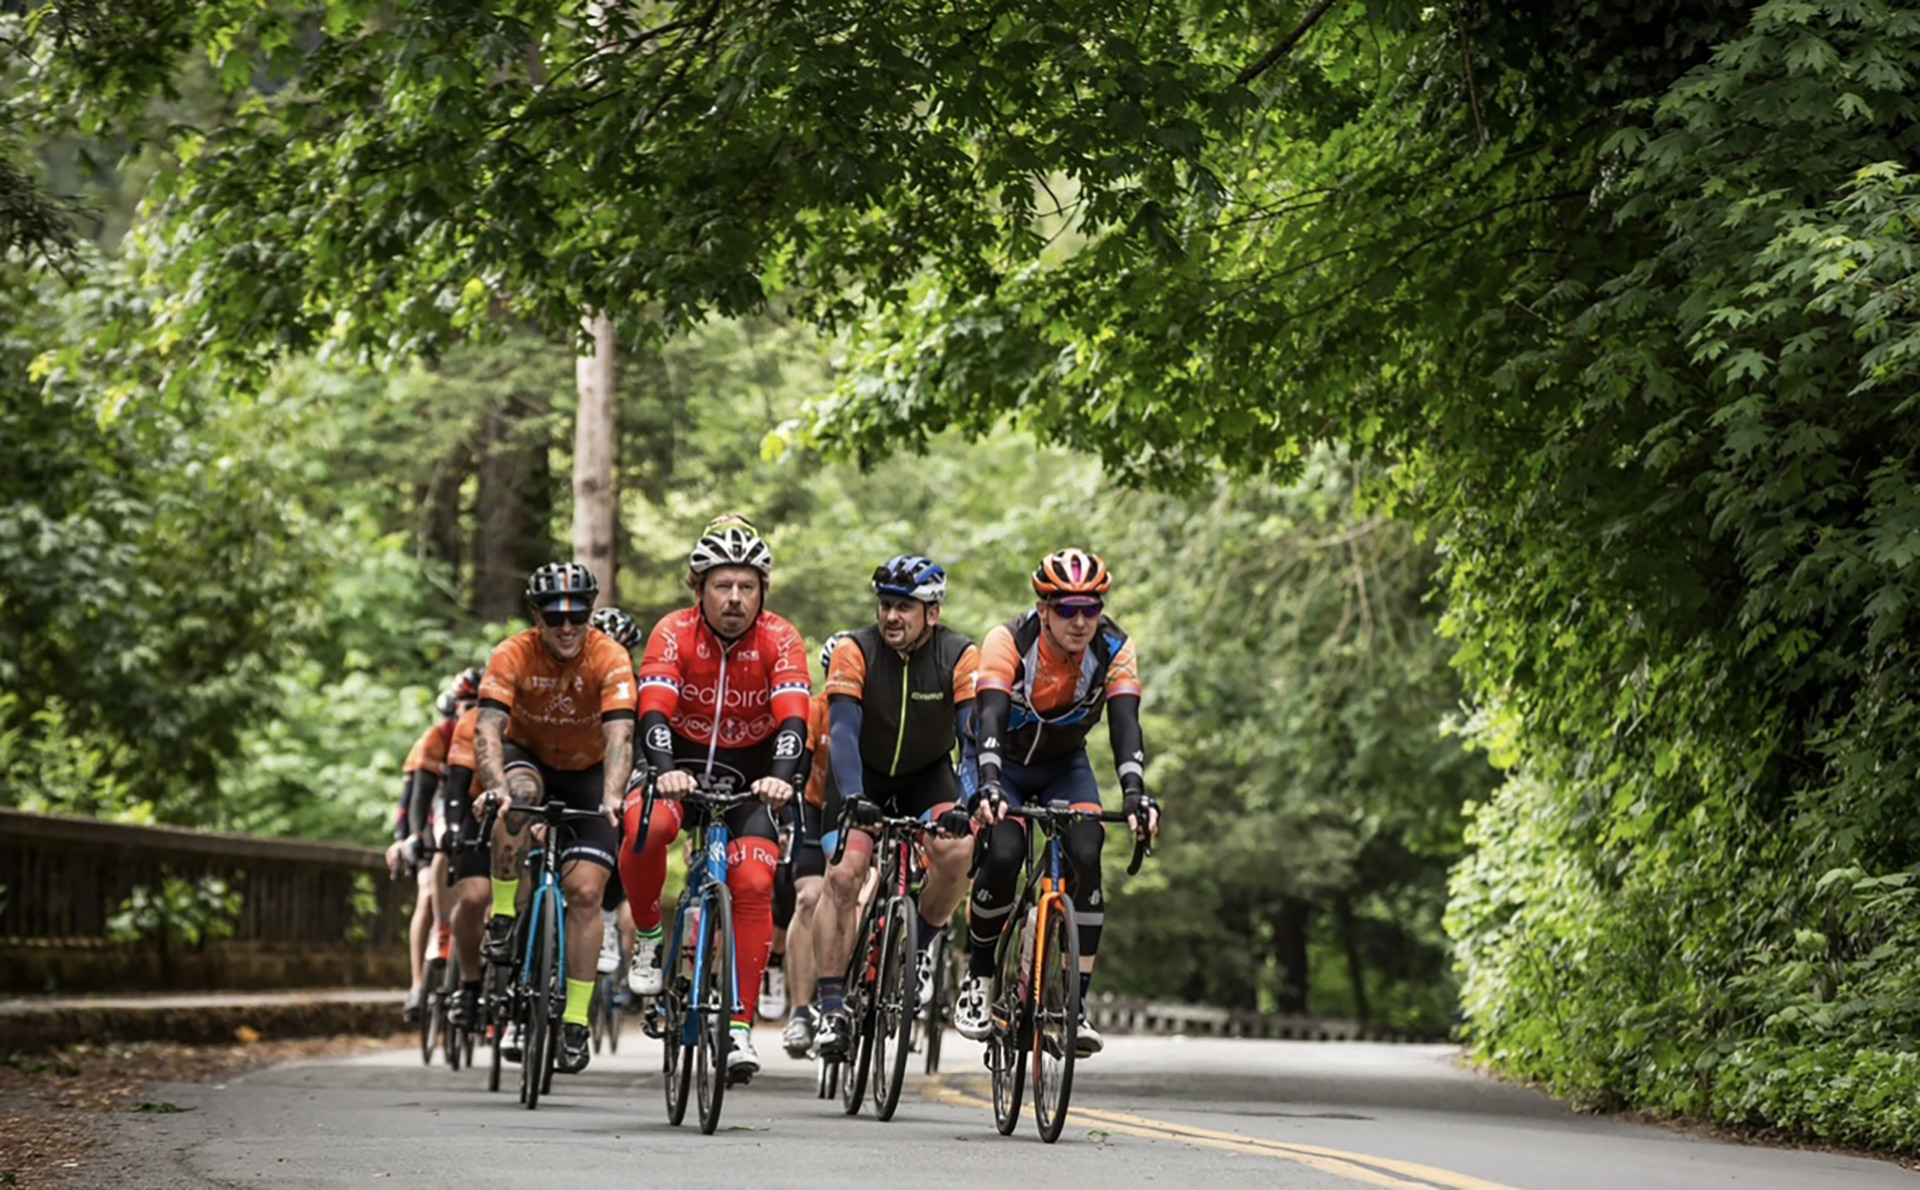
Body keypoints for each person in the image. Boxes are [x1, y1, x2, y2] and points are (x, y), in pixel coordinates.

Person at [618, 518, 809, 1083]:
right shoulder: (674, 632)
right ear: (697, 588)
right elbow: (652, 709)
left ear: (763, 591)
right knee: (645, 828)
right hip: (675, 764)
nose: (734, 599)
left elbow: (794, 717)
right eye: (722, 585)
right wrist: (664, 769)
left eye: (746, 587)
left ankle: (739, 1028)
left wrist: (780, 777)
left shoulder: (781, 637)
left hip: (752, 776)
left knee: (752, 883)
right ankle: (650, 936)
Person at [958, 548, 1159, 1058]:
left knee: (1088, 852)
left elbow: (1126, 725)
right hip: (1000, 761)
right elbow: (990, 719)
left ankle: (1074, 1006)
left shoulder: (1114, 647)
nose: (1080, 620)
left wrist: (1135, 794)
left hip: (1063, 766)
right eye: (1066, 607)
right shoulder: (1009, 641)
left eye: (1090, 608)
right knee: (1004, 851)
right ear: (1043, 608)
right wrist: (988, 784)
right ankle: (979, 977)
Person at [811, 555, 980, 1061]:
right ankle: (832, 1006)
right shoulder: (853, 649)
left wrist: (967, 802)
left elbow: (971, 739)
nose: (891, 617)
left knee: (959, 852)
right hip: (861, 776)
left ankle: (918, 945)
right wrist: (856, 797)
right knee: (844, 876)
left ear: (932, 612)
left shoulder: (959, 654)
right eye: (885, 605)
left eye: (905, 607)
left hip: (928, 776)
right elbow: (842, 731)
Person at [472, 562, 637, 1077]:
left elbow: (619, 738)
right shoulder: (513, 653)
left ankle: (573, 1021)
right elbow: (487, 730)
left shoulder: (609, 656)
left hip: (589, 771)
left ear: (590, 614)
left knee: (587, 893)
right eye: (554, 615)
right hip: (531, 758)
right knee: (516, 797)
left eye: (578, 615)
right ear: (536, 616)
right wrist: (495, 787)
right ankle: (503, 917)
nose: (567, 626)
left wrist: (613, 797)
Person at [387, 671, 474, 1021]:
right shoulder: (437, 737)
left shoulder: (493, 733)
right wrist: (405, 838)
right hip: (431, 822)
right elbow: (416, 796)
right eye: (467, 706)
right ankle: (418, 984)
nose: (473, 713)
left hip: (470, 818)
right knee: (425, 891)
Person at [779, 632, 847, 1058]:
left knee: (859, 890)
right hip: (816, 808)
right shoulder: (816, 710)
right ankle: (801, 1010)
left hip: (861, 815)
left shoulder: (879, 713)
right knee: (808, 898)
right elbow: (797, 770)